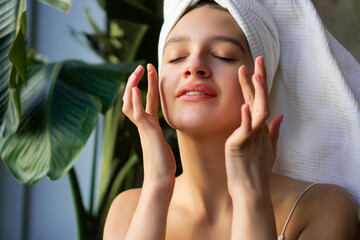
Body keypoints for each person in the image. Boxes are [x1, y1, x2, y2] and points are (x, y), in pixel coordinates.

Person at [103, 0, 359, 239]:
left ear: (261, 83)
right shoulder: (128, 210)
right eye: (176, 57)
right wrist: (156, 186)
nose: (194, 66)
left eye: (224, 55)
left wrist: (251, 196)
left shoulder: (323, 208)